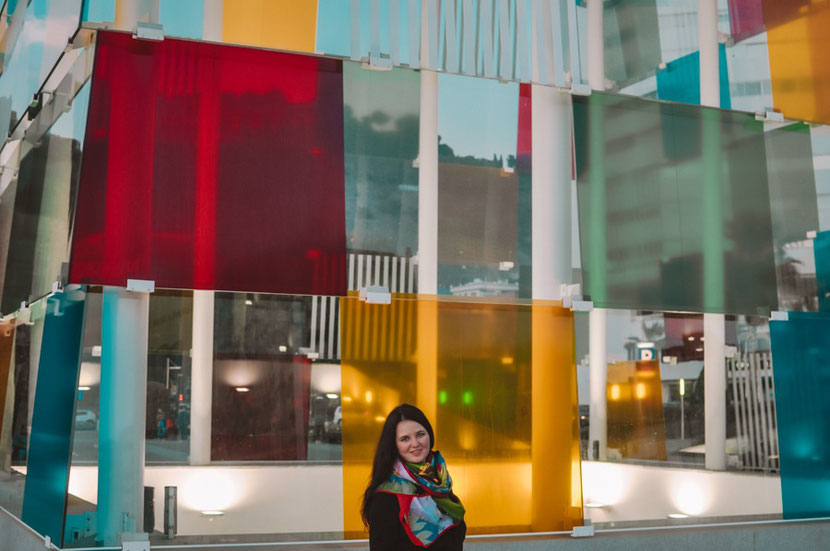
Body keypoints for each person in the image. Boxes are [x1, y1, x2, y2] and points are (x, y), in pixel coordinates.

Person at [362, 404, 466, 550]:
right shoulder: (386, 495)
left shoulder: (438, 481)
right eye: (405, 439)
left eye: (420, 434)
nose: (415, 444)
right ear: (394, 445)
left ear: (429, 434)